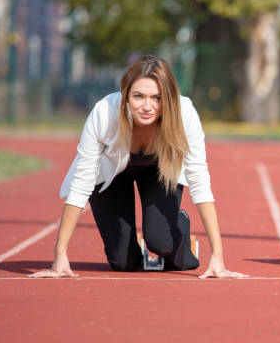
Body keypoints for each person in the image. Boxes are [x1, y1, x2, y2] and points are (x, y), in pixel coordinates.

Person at [30, 55, 247, 279]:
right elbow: (81, 182)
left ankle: (178, 226)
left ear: (169, 98)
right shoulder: (104, 113)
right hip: (111, 173)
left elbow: (200, 181)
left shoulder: (185, 113)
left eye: (157, 98)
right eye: (138, 96)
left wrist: (218, 254)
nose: (147, 106)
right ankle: (133, 248)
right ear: (125, 94)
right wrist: (60, 254)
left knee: (162, 243)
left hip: (159, 169)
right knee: (123, 263)